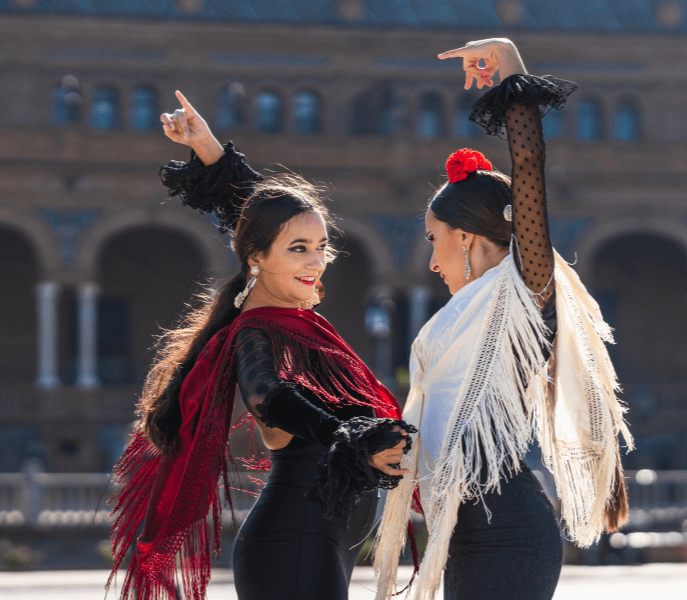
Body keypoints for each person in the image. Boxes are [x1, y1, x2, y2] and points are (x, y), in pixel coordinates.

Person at [105, 92, 416, 600]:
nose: (316, 262)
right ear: (256, 258)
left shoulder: (298, 325)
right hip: (292, 545)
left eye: (321, 247)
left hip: (316, 544)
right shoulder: (256, 331)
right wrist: (351, 434)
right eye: (298, 250)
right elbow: (270, 396)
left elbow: (261, 214)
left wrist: (207, 146)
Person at [371, 39, 634, 600]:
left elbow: (529, 168)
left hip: (509, 529)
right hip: (464, 529)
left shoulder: (523, 290)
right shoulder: (467, 309)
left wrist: (509, 67)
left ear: (465, 237)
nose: (433, 259)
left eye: (433, 241)